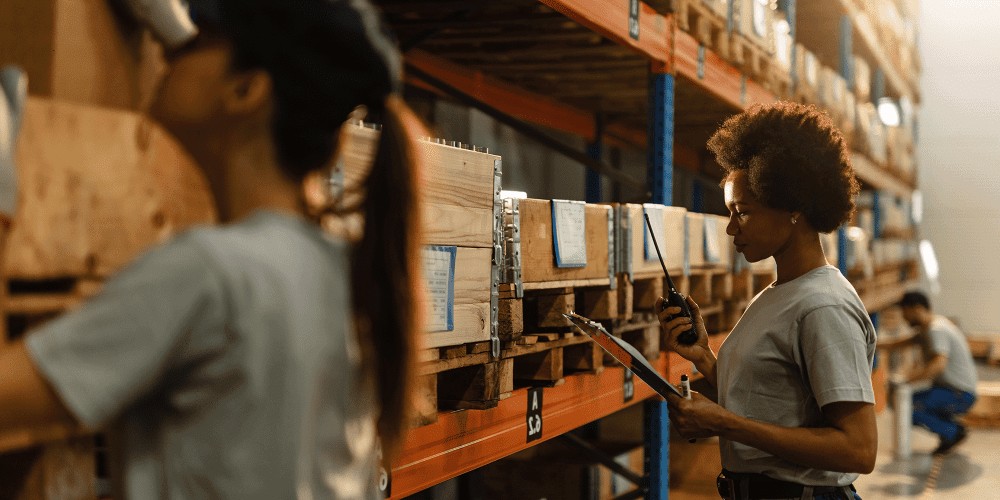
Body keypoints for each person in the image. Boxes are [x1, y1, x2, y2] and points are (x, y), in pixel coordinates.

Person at [0, 0, 426, 498]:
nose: (168, 53)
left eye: (199, 42)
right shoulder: (343, 267)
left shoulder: (211, 273)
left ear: (245, 90)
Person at [658, 102, 877, 500]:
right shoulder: (778, 293)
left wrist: (726, 424)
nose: (730, 228)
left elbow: (859, 450)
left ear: (793, 207)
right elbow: (776, 399)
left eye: (742, 212)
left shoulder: (824, 307)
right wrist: (704, 357)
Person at [882, 291, 977, 454]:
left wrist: (906, 380)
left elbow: (938, 364)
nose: (904, 319)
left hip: (959, 394)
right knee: (906, 403)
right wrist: (872, 343)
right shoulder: (929, 329)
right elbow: (899, 343)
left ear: (917, 308)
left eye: (906, 313)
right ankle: (952, 429)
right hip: (952, 391)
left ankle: (952, 432)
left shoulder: (936, 330)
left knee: (908, 407)